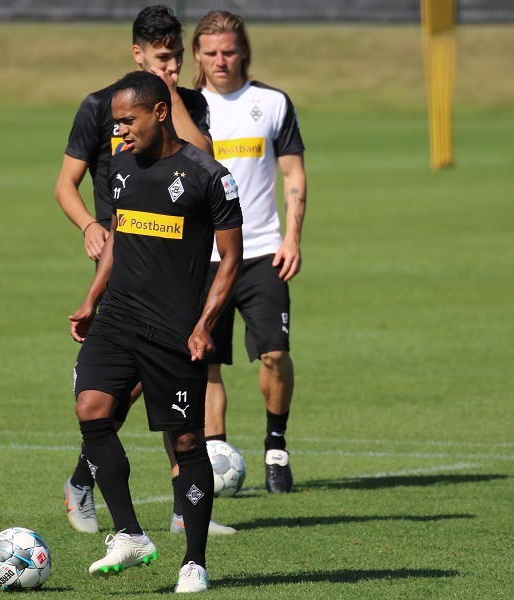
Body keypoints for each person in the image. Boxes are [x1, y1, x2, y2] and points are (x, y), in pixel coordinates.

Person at [55, 4, 236, 537]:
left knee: (165, 405)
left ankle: (182, 514)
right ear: (137, 53)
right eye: (162, 58)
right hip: (124, 262)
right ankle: (84, 483)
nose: (173, 67)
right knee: (113, 399)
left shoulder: (188, 103)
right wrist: (91, 225)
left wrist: (171, 97)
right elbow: (66, 183)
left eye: (178, 57)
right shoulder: (98, 107)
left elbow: (202, 157)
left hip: (178, 271)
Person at [191, 11, 307, 493]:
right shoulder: (182, 107)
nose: (221, 60)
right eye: (211, 52)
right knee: (206, 360)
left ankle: (275, 448)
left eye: (230, 51)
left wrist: (293, 237)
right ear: (196, 54)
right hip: (203, 255)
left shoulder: (272, 102)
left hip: (261, 252)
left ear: (245, 51)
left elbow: (294, 174)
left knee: (275, 354)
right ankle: (216, 456)